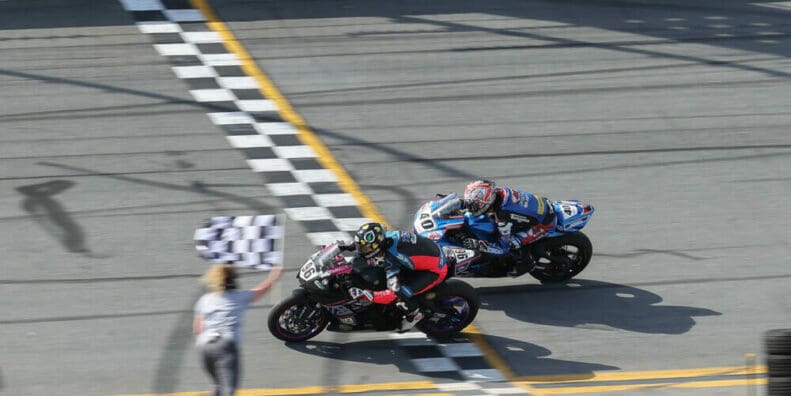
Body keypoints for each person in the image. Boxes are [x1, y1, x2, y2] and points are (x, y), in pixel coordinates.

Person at [336, 222, 448, 332]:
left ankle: (414, 314)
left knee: (400, 292)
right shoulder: (386, 237)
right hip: (426, 253)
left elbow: (392, 294)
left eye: (365, 249)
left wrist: (369, 295)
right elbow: (366, 243)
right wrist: (347, 246)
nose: (361, 251)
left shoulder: (391, 258)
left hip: (434, 270)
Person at [193, 264, 283, 396]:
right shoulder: (239, 297)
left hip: (204, 347)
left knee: (218, 386)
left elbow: (197, 329)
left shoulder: (205, 300)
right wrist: (275, 275)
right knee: (228, 391)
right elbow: (262, 289)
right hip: (226, 347)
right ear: (234, 281)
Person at [439, 179, 556, 276]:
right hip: (538, 209)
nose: (472, 208)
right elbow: (476, 200)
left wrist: (475, 244)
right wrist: (455, 203)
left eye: (474, 206)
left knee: (513, 244)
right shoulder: (499, 193)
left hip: (543, 225)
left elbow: (502, 248)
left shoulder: (503, 217)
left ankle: (524, 261)